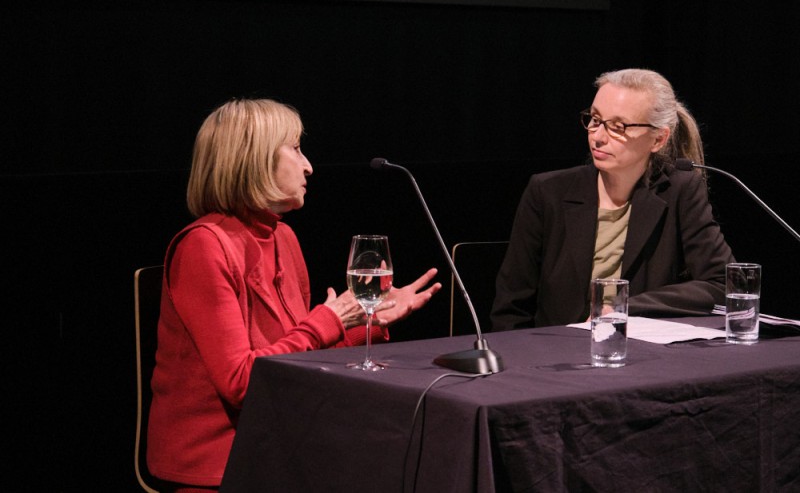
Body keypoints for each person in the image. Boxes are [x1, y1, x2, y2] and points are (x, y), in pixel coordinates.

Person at [146, 98, 442, 491]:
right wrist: (328, 320)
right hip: (220, 464)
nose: (309, 166)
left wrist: (368, 320)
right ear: (255, 158)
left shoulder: (282, 236)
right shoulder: (204, 246)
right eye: (296, 148)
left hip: (281, 441)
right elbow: (241, 383)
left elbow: (297, 357)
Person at [491, 68, 734, 330]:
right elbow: (510, 307)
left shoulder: (679, 190)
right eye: (595, 120)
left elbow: (723, 283)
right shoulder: (547, 191)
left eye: (618, 126)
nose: (598, 137)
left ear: (659, 139)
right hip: (556, 356)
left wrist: (627, 305)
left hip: (643, 356)